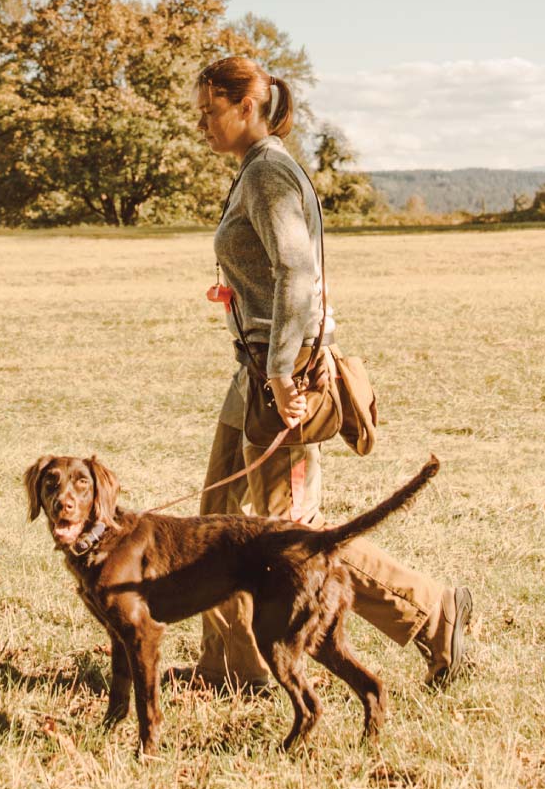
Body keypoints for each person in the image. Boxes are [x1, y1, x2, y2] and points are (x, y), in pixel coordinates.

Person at [192, 54, 472, 688]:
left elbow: (297, 274)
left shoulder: (267, 175)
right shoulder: (251, 172)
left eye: (211, 111)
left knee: (294, 538)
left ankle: (430, 611)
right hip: (254, 375)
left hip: (281, 377)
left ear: (246, 108)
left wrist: (285, 369)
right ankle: (234, 665)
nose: (202, 124)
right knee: (216, 518)